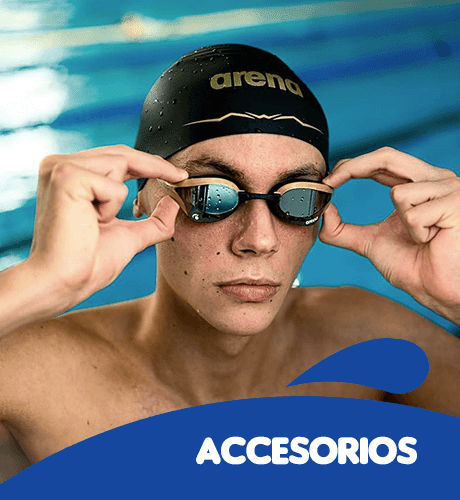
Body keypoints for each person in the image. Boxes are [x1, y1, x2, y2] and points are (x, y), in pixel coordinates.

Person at [0, 44, 459, 481]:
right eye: (212, 195)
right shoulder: (34, 380)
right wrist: (37, 284)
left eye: (297, 199)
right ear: (142, 197)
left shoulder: (367, 344)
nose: (259, 240)